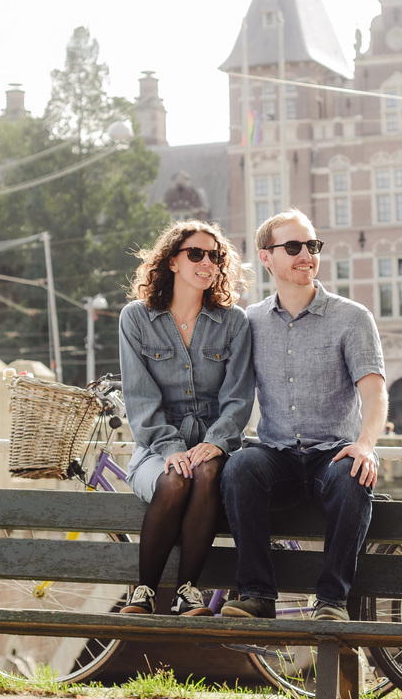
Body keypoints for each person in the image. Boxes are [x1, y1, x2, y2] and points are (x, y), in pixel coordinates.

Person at [220, 208, 387, 622]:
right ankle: (257, 596)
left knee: (354, 474)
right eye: (293, 247)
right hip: (276, 457)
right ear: (266, 257)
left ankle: (331, 602)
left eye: (312, 246)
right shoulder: (250, 321)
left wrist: (365, 445)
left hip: (332, 455)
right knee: (239, 467)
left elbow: (374, 392)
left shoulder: (352, 318)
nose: (306, 256)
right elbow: (228, 391)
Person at [117, 219, 254, 616]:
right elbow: (140, 399)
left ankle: (188, 592)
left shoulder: (234, 322)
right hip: (156, 448)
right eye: (196, 254)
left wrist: (216, 442)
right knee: (176, 478)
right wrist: (172, 448)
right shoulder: (136, 319)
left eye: (215, 256)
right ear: (172, 262)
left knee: (206, 471)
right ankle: (144, 592)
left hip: (216, 443)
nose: (207, 262)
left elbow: (238, 396)